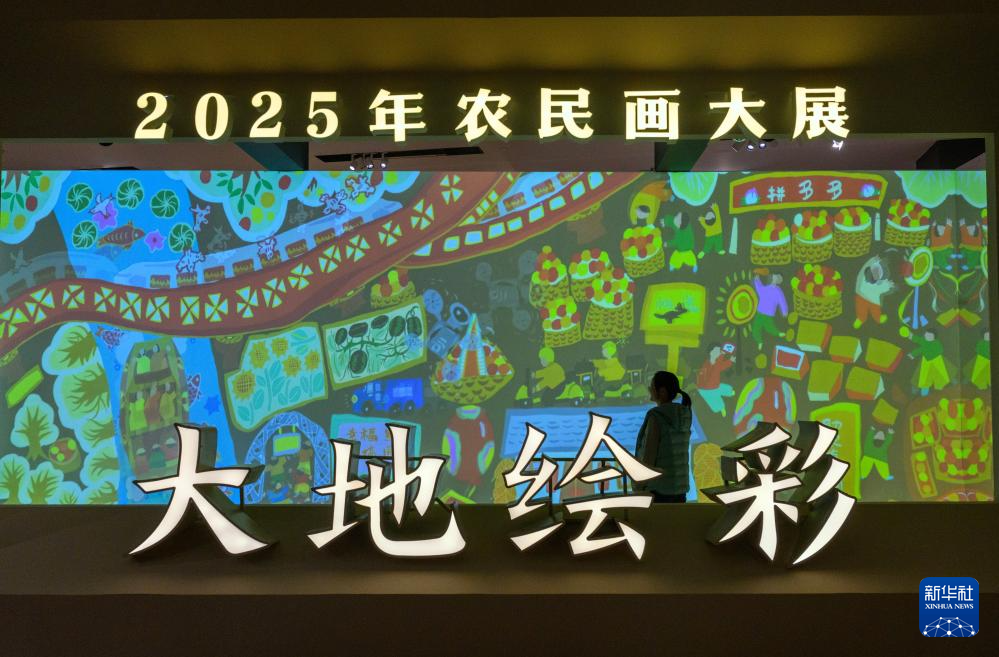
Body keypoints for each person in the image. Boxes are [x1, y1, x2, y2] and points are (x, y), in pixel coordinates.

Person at [635, 371, 693, 503]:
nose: (649, 389)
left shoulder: (656, 416)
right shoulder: (685, 414)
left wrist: (640, 486)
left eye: (652, 386)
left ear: (662, 391)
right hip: (680, 489)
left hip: (658, 489)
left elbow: (649, 455)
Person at [853, 256, 894, 329]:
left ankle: (876, 318)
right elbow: (884, 287)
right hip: (862, 296)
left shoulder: (879, 282)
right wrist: (889, 285)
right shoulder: (867, 274)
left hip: (870, 299)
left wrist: (888, 285)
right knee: (862, 309)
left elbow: (883, 287)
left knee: (874, 310)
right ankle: (861, 319)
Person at [696, 343, 736, 417]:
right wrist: (723, 356)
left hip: (714, 385)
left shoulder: (714, 362)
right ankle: (721, 409)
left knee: (726, 389)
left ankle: (728, 393)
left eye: (719, 350)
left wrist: (730, 361)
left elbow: (721, 366)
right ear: (711, 352)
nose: (719, 352)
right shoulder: (709, 364)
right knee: (717, 402)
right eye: (717, 350)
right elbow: (718, 366)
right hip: (706, 389)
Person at [751, 271, 788, 347]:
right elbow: (782, 301)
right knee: (763, 327)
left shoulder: (774, 290)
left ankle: (763, 340)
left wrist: (756, 280)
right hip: (764, 313)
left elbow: (782, 301)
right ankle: (761, 341)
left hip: (764, 313)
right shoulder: (772, 290)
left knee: (764, 327)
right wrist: (757, 279)